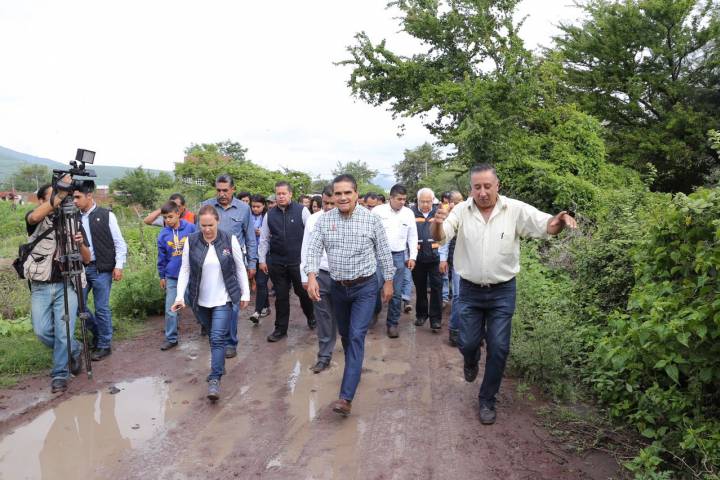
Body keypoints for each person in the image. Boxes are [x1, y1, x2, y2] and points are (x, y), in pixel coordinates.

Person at [432, 164, 577, 425]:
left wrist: (560, 221)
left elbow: (546, 225)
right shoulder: (461, 210)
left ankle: (487, 399)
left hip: (502, 291)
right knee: (467, 343)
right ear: (470, 189)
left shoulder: (515, 209)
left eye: (487, 186)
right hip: (469, 290)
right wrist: (437, 224)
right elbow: (441, 237)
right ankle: (471, 360)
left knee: (499, 348)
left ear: (497, 186)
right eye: (477, 187)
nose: (482, 192)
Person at [305, 174, 395, 417]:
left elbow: (384, 252)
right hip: (338, 288)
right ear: (332, 196)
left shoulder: (371, 220)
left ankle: (346, 397)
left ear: (356, 194)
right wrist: (311, 276)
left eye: (347, 192)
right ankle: (353, 369)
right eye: (338, 193)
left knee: (356, 335)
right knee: (345, 334)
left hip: (365, 287)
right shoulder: (325, 221)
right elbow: (313, 250)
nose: (343, 197)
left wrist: (388, 281)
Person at [172, 205, 250, 401]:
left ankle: (214, 379)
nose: (207, 229)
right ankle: (219, 365)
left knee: (217, 338)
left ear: (218, 222)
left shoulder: (229, 239)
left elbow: (240, 268)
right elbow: (185, 270)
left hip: (223, 299)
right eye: (203, 225)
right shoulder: (191, 241)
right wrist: (179, 296)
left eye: (210, 225)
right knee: (212, 336)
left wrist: (245, 294)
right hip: (199, 301)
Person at [25, 182, 91, 392]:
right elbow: (34, 216)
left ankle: (60, 374)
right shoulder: (36, 219)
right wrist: (61, 193)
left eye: (62, 197)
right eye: (54, 196)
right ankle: (75, 348)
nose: (60, 201)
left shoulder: (73, 220)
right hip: (41, 285)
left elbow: (87, 258)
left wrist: (80, 243)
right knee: (42, 330)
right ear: (41, 200)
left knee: (64, 331)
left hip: (68, 284)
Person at [200, 174, 257, 358]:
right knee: (210, 303)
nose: (222, 194)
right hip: (209, 265)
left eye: (225, 190)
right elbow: (196, 236)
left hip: (233, 264)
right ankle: (216, 338)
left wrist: (252, 263)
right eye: (218, 190)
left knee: (232, 305)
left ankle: (230, 342)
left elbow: (250, 237)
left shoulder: (244, 209)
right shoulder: (206, 207)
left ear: (233, 189)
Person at [73, 181, 127, 361]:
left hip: (101, 269)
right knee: (77, 306)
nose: (75, 201)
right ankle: (98, 332)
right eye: (73, 197)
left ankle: (104, 345)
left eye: (78, 197)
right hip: (80, 269)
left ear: (89, 196)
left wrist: (119, 265)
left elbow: (119, 242)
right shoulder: (73, 218)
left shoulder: (106, 215)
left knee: (101, 308)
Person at [259, 181, 316, 342]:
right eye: (278, 194)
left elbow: (312, 236)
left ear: (290, 194)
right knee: (281, 296)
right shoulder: (270, 215)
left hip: (298, 262)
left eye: (284, 193)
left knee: (303, 293)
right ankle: (280, 329)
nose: (281, 196)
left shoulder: (302, 211)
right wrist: (262, 260)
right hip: (277, 262)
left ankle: (311, 316)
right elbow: (264, 239)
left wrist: (310, 261)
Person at [371, 184, 418, 338]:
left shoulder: (408, 213)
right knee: (374, 288)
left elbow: (412, 236)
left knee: (396, 293)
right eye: (399, 199)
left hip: (398, 256)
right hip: (378, 256)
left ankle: (392, 323)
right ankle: (374, 312)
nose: (402, 202)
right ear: (390, 198)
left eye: (404, 199)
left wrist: (412, 257)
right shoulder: (378, 211)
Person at [300, 185, 337, 373]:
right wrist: (306, 276)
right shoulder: (313, 220)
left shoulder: (350, 219)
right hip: (320, 274)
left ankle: (350, 350)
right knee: (323, 317)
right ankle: (324, 356)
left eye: (332, 203)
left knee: (342, 317)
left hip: (344, 277)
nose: (328, 207)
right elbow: (306, 249)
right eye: (325, 203)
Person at [156, 201, 197, 350]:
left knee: (196, 303)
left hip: (192, 275)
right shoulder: (163, 234)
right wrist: (162, 276)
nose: (168, 220)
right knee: (171, 308)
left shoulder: (191, 228)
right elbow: (161, 258)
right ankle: (171, 338)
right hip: (172, 276)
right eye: (165, 218)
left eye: (170, 216)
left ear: (178, 214)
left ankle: (206, 326)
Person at [411, 187, 443, 332]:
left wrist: (443, 258)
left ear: (433, 200)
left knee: (437, 288)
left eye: (428, 201)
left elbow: (444, 235)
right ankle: (421, 315)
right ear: (417, 201)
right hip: (418, 258)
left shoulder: (438, 213)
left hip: (436, 258)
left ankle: (435, 319)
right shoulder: (411, 213)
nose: (425, 204)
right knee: (420, 288)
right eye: (422, 201)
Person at [249, 194, 271, 323]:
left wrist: (262, 232)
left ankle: (257, 311)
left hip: (266, 255)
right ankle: (266, 306)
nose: (255, 209)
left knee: (261, 282)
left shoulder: (268, 217)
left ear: (264, 206)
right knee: (259, 282)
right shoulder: (248, 217)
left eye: (258, 206)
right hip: (252, 254)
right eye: (253, 206)